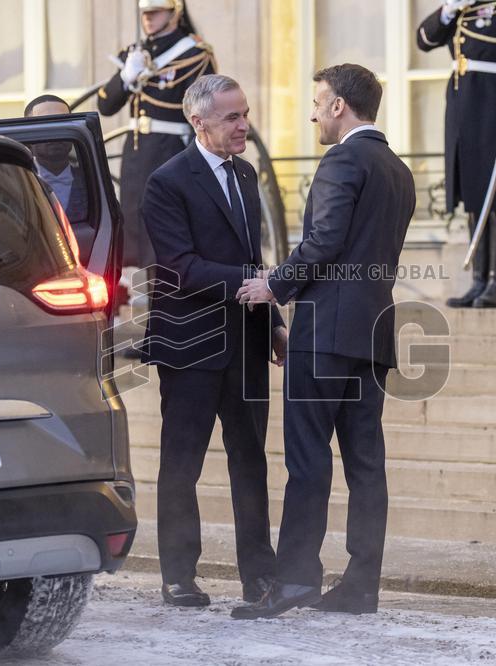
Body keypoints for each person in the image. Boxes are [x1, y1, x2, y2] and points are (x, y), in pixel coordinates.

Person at [232, 64, 416, 619]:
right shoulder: (398, 169)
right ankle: (362, 585)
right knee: (366, 464)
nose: (312, 112)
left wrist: (273, 286)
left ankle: (294, 582)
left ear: (340, 106)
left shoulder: (342, 160)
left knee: (308, 460)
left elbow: (323, 243)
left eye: (318, 102)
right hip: (373, 331)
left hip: (327, 331)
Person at [139, 74, 285, 608]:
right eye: (231, 117)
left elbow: (253, 256)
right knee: (183, 464)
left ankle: (259, 577)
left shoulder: (246, 174)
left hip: (245, 343)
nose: (243, 125)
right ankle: (178, 575)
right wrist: (255, 288)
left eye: (244, 113)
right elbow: (180, 266)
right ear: (197, 122)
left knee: (251, 462)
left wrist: (271, 323)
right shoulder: (167, 181)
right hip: (191, 345)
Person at [417, 0, 496, 308]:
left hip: (495, 99)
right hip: (464, 101)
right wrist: (448, 10)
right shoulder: (465, 6)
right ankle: (478, 281)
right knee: (474, 192)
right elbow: (424, 40)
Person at [98, 0, 216, 275]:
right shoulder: (134, 54)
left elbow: (206, 109)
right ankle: (145, 298)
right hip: (136, 153)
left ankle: (168, 301)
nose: (148, 19)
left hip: (170, 150)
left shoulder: (195, 53)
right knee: (135, 227)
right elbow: (105, 106)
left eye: (156, 12)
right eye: (145, 13)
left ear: (174, 12)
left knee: (165, 231)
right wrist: (127, 77)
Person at [23, 95, 89, 224]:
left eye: (61, 124)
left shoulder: (92, 179)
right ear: (28, 132)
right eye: (43, 126)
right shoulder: (17, 182)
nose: (54, 133)